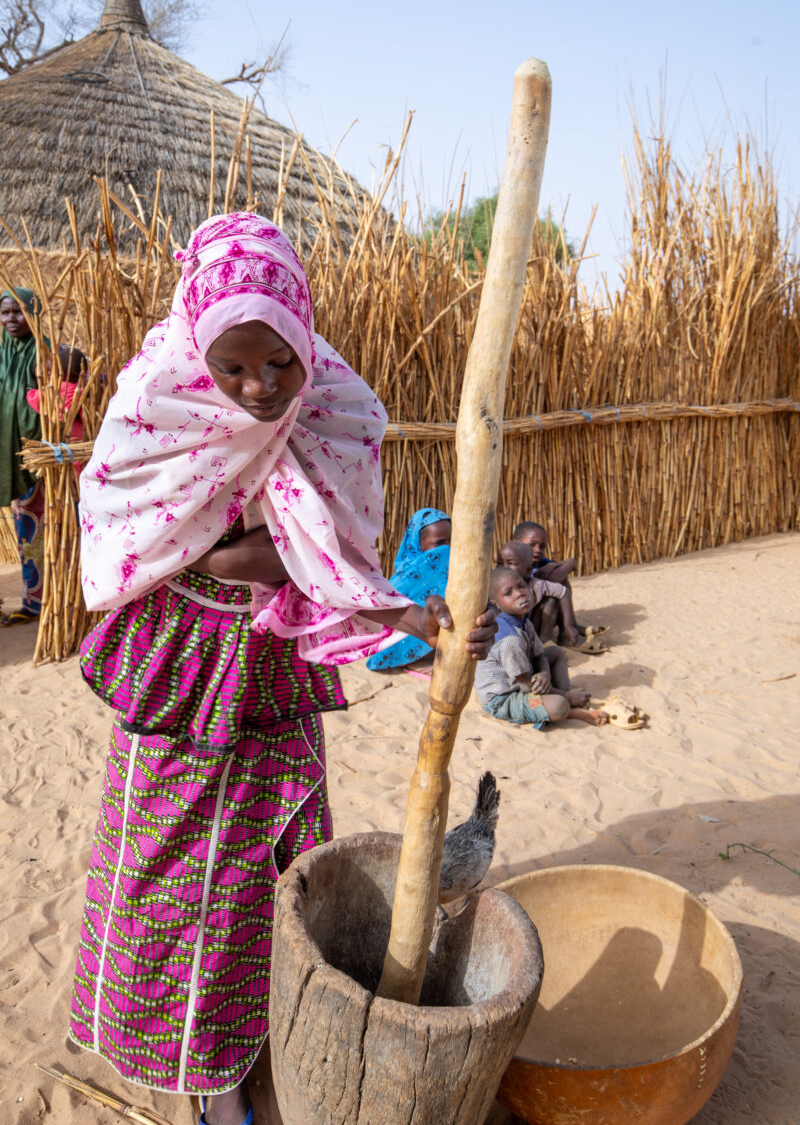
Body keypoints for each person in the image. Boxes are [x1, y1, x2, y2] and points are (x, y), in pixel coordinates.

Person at [70, 214, 495, 1125]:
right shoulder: (157, 405)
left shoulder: (336, 409)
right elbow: (145, 534)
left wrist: (426, 619)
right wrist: (241, 554)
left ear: (306, 337)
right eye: (233, 367)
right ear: (196, 347)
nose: (260, 388)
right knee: (172, 867)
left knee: (277, 865)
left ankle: (259, 1045)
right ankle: (204, 1078)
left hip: (270, 665)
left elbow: (320, 556)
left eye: (280, 363)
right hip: (182, 670)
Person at [474, 566, 608, 729]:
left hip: (525, 676)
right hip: (504, 698)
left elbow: (540, 654)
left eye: (521, 586)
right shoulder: (510, 640)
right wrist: (565, 696)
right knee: (559, 706)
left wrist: (544, 673)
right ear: (496, 604)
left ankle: (566, 698)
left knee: (556, 653)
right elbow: (526, 687)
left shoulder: (523, 621)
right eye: (508, 593)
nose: (519, 593)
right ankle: (570, 707)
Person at [0, 287, 44, 627]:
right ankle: (30, 599)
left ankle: (41, 602)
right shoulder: (1, 353)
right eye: (6, 312)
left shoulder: (46, 353)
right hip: (7, 456)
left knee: (38, 530)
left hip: (38, 460)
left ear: (33, 312)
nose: (12, 319)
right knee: (22, 529)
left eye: (19, 311)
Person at [365, 507, 452, 675]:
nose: (446, 549)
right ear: (416, 545)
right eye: (439, 543)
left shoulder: (451, 572)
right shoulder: (402, 580)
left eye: (450, 542)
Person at [512, 520, 607, 651]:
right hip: (524, 624)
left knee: (561, 580)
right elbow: (554, 578)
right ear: (516, 543)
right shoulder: (517, 567)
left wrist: (557, 564)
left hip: (534, 618)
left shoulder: (539, 562)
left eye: (542, 546)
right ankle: (556, 636)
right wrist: (563, 566)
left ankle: (568, 629)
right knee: (553, 594)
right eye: (532, 545)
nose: (537, 550)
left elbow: (572, 563)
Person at [26, 344, 87, 478]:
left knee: (58, 468)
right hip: (76, 435)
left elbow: (33, 398)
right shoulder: (81, 392)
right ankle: (79, 490)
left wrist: (33, 389)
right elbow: (85, 417)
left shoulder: (50, 391)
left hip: (54, 433)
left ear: (57, 371)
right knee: (78, 465)